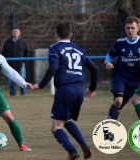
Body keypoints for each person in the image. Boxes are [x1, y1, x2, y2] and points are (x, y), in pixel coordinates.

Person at [33, 22, 98, 160]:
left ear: (56, 34)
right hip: (79, 90)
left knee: (55, 127)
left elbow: (53, 67)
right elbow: (94, 69)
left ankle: (72, 151)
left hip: (65, 89)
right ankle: (84, 144)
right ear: (71, 35)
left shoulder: (54, 48)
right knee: (66, 120)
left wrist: (41, 85)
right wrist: (92, 88)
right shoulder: (80, 50)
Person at [104, 16, 140, 120]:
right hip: (119, 76)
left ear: (138, 28)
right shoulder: (120, 43)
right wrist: (107, 62)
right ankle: (109, 125)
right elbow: (109, 55)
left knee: (120, 105)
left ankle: (110, 121)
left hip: (134, 79)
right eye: (128, 28)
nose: (130, 30)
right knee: (118, 101)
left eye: (132, 28)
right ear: (125, 28)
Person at [2, 26, 29, 96]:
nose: (15, 33)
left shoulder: (23, 42)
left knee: (22, 78)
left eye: (17, 31)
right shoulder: (7, 42)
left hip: (21, 64)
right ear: (11, 33)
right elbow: (4, 53)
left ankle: (23, 93)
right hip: (10, 65)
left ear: (19, 33)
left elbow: (27, 52)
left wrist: (25, 62)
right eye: (14, 31)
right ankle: (12, 93)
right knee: (10, 80)